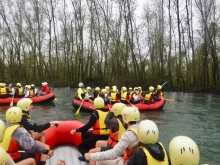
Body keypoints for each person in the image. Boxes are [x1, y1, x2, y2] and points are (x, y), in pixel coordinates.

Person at [17, 98, 59, 164]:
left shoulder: (19, 116)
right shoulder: (24, 119)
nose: (32, 106)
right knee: (46, 147)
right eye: (30, 105)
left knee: (42, 133)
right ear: (26, 106)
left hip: (22, 137)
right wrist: (50, 123)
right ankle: (42, 162)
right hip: (25, 140)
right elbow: (38, 128)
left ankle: (41, 153)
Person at [70, 97, 110, 162]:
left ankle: (87, 158)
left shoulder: (95, 114)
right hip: (107, 136)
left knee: (81, 147)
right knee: (85, 134)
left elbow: (87, 127)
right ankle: (88, 149)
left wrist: (76, 130)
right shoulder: (109, 113)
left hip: (98, 136)